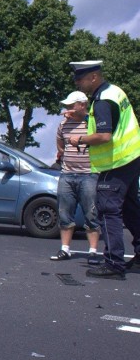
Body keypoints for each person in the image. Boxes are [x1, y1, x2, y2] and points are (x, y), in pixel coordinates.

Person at [68, 60, 140, 280]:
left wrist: (78, 138)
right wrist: (83, 118)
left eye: (80, 79)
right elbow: (113, 122)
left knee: (108, 210)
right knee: (130, 209)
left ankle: (113, 264)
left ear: (93, 77)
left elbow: (104, 135)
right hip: (131, 158)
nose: (78, 84)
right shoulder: (114, 91)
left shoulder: (101, 101)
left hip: (115, 162)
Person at [49, 91, 100, 265]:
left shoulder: (92, 123)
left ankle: (93, 251)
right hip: (67, 174)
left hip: (89, 174)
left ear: (82, 105)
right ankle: (65, 249)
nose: (67, 109)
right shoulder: (63, 125)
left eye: (71, 105)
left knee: (91, 213)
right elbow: (60, 147)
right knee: (64, 213)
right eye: (67, 106)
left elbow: (101, 141)